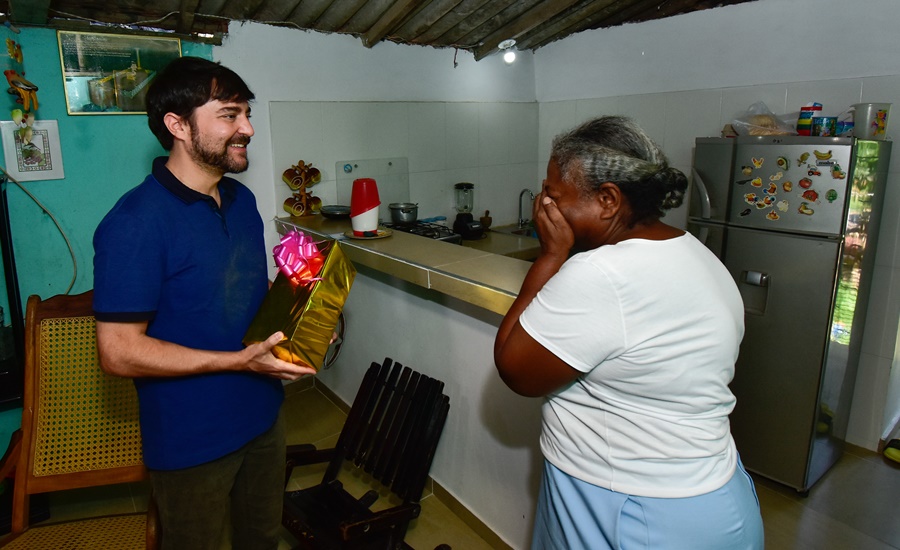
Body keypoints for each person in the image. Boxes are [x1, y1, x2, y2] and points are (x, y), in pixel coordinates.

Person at [493, 116, 764, 549]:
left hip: (633, 510)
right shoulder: (696, 252)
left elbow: (515, 370)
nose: (544, 204)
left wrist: (550, 256)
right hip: (716, 497)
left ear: (607, 199)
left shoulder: (600, 274)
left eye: (554, 194)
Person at [93, 57, 317, 549]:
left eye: (247, 114)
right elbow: (118, 351)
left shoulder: (242, 202)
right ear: (177, 125)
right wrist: (236, 363)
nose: (248, 129)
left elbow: (240, 304)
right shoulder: (134, 222)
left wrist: (306, 311)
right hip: (191, 439)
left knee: (261, 539)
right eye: (230, 115)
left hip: (263, 417)